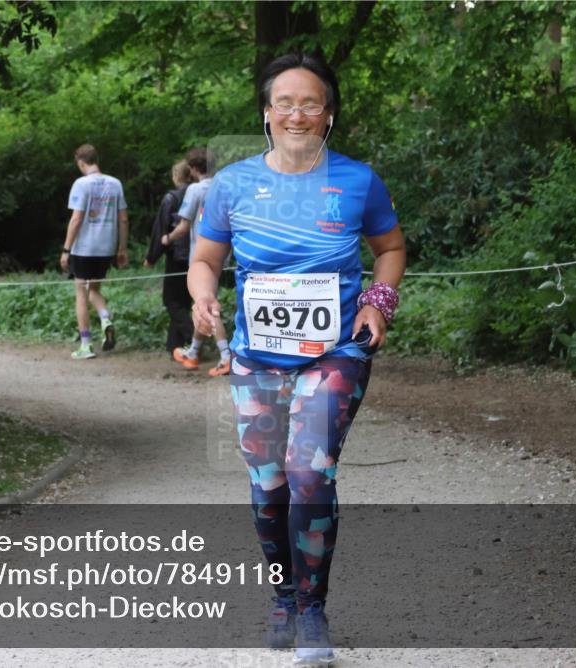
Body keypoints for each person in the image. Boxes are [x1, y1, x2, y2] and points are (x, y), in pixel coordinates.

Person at [188, 53, 405, 665]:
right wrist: (203, 297)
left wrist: (378, 303)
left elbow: (389, 248)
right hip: (256, 357)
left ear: (328, 115)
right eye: (285, 102)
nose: (297, 113)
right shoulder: (231, 184)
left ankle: (312, 610)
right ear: (266, 114)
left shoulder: (358, 181)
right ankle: (282, 594)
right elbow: (204, 260)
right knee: (270, 484)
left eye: (310, 102)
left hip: (334, 350)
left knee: (310, 473)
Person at [166, 147, 232, 377]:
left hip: (202, 258)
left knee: (207, 305)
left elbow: (184, 225)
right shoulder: (222, 185)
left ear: (193, 168)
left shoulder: (195, 189)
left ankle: (225, 356)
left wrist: (166, 239)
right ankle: (193, 352)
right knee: (204, 305)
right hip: (224, 255)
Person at [60, 144, 129, 359]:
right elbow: (124, 218)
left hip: (85, 247)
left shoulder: (81, 184)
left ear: (81, 162)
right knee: (94, 290)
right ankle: (105, 318)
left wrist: (66, 249)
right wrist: (122, 248)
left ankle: (86, 345)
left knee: (81, 292)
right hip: (106, 246)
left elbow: (77, 218)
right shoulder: (115, 183)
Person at [143, 160, 194, 352]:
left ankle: (195, 337)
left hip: (178, 256)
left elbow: (161, 230)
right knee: (183, 302)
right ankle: (174, 346)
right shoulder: (199, 193)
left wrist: (151, 257)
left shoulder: (171, 198)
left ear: (175, 176)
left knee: (171, 301)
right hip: (198, 254)